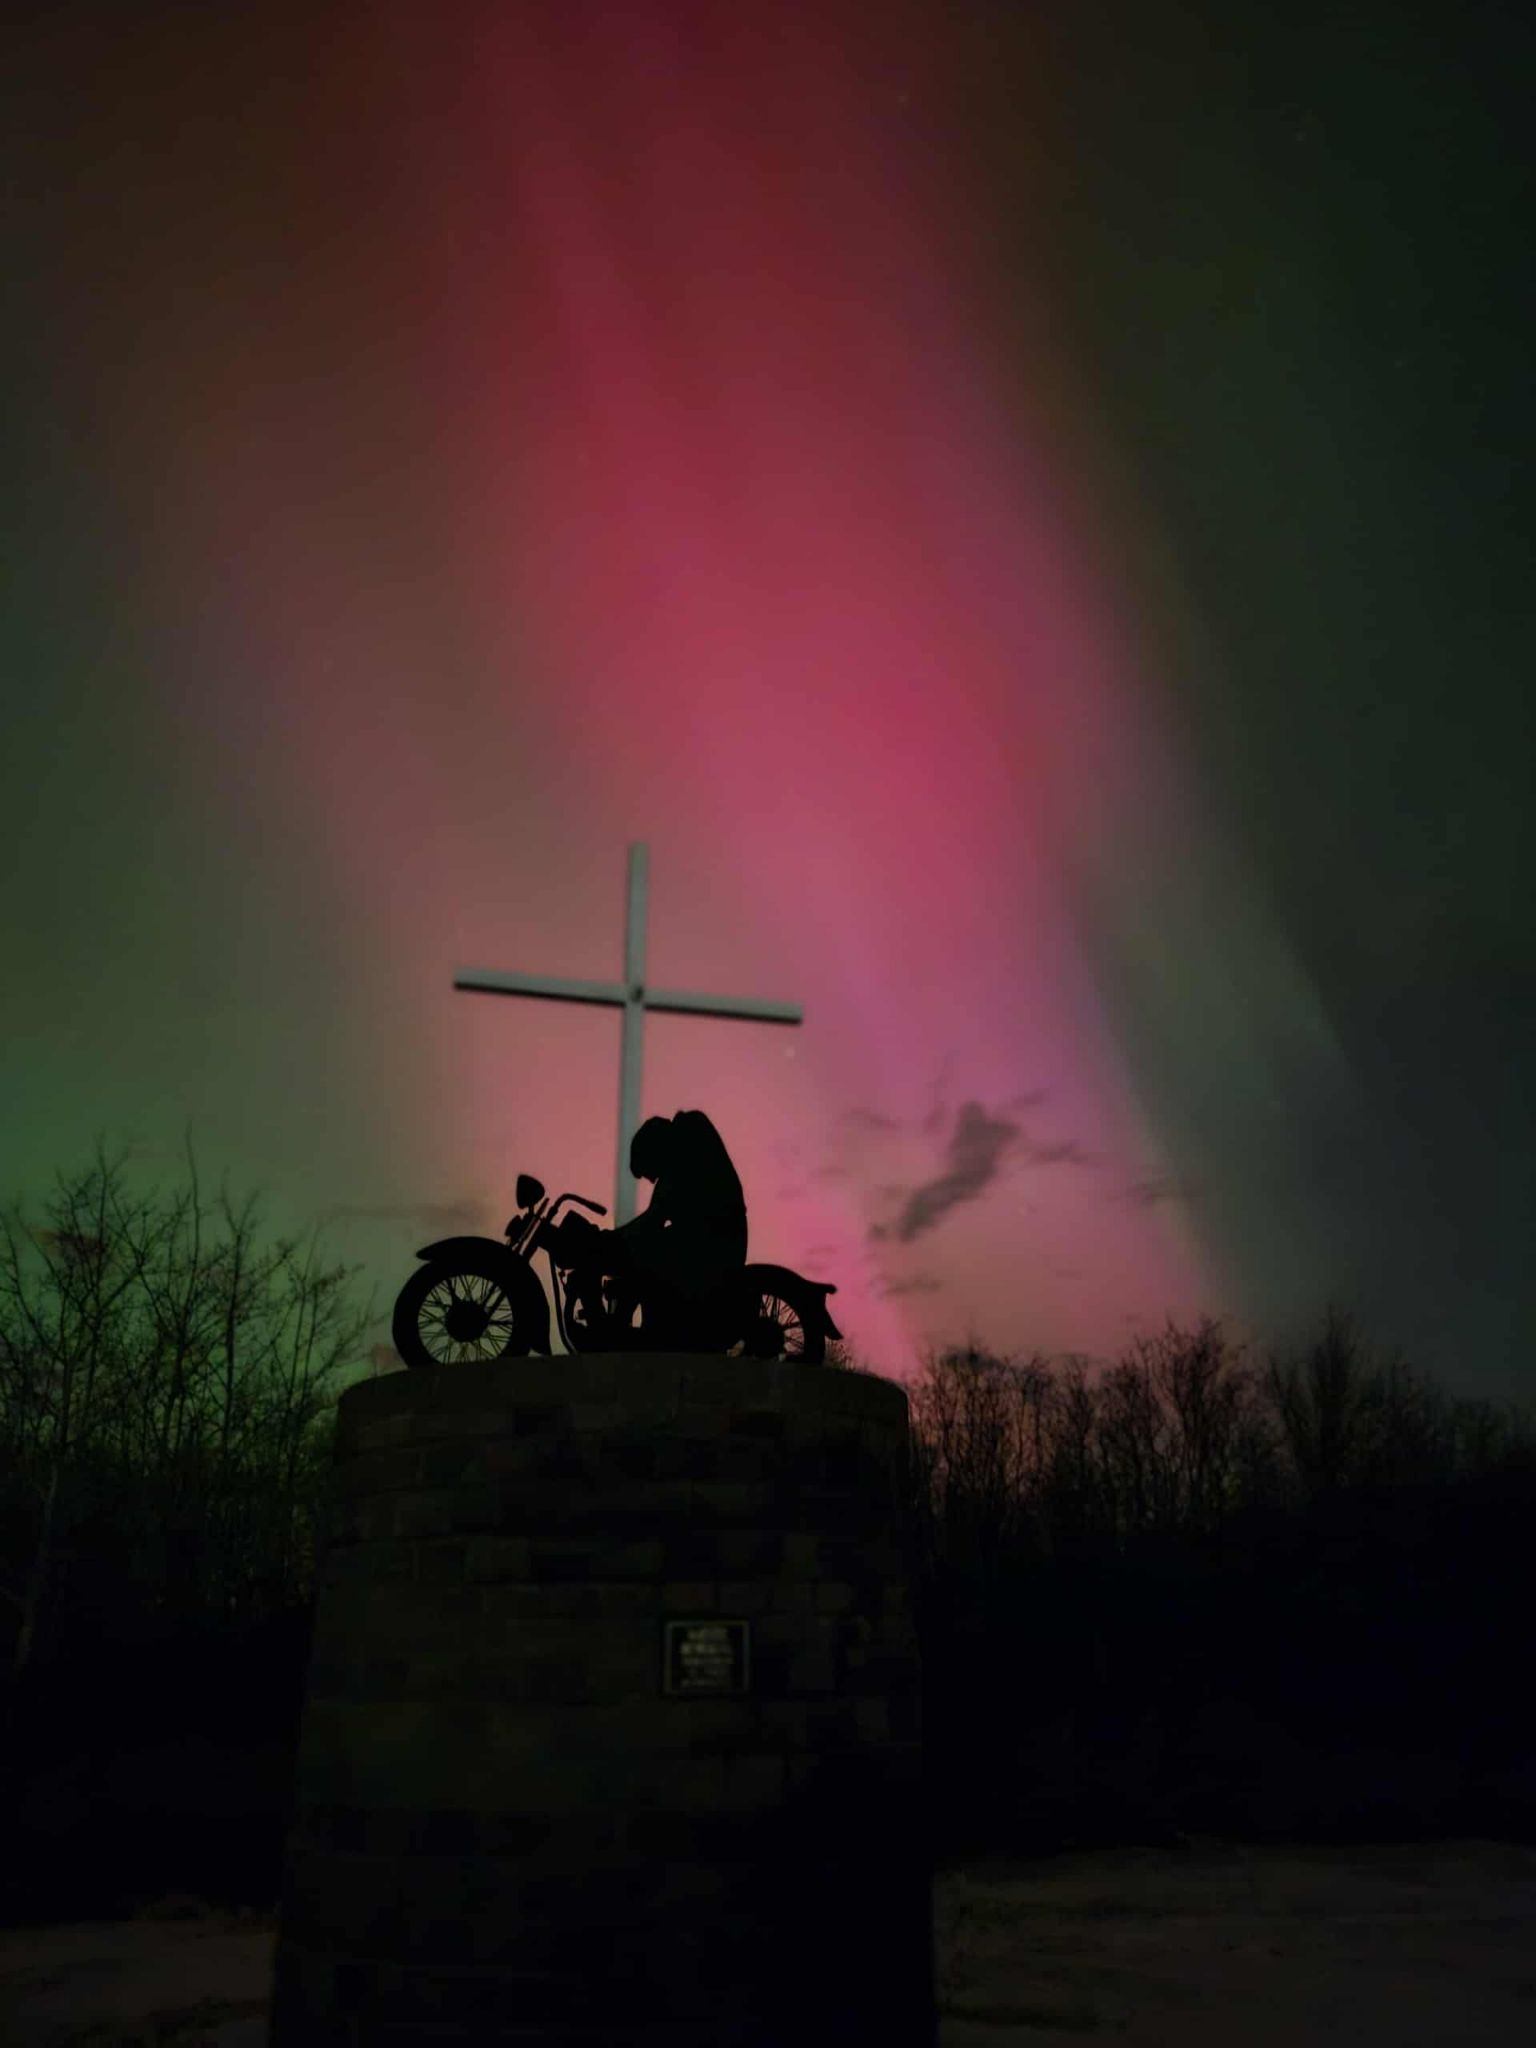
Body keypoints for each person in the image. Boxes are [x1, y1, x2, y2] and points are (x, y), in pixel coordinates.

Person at [563, 1109, 748, 1349]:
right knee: (648, 1247)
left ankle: (616, 1332)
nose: (652, 1180)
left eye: (650, 1172)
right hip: (712, 1240)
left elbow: (652, 1220)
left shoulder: (685, 1147)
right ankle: (626, 1327)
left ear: (655, 1150)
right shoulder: (685, 1151)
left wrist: (611, 1239)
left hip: (712, 1247)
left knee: (646, 1252)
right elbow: (654, 1218)